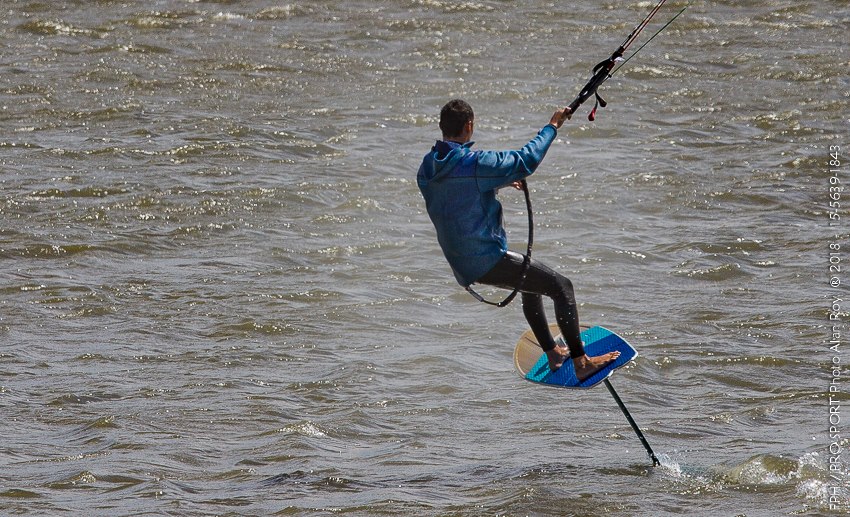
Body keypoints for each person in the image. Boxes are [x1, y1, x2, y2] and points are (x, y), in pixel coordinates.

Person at [417, 99, 619, 381]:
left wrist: (496, 181)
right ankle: (581, 361)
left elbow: (454, 193)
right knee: (562, 287)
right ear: (469, 127)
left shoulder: (428, 167)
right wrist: (552, 126)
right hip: (486, 260)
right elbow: (525, 161)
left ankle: (553, 352)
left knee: (530, 282)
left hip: (463, 265)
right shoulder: (474, 163)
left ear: (441, 128)